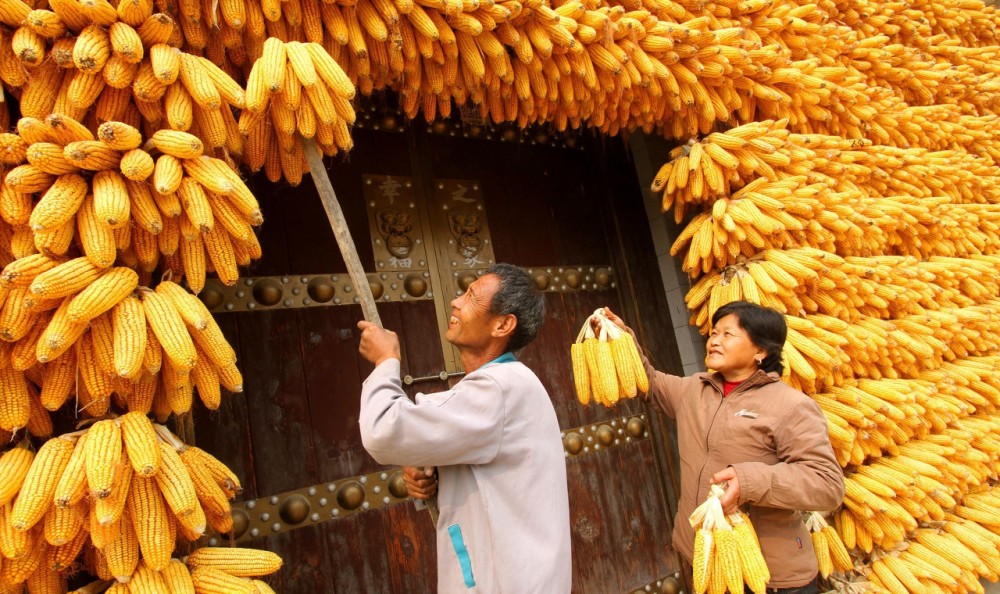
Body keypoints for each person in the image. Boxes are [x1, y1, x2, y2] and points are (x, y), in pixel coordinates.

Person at [600, 300, 844, 593]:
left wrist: (749, 481)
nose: (714, 340)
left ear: (761, 351)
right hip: (706, 564)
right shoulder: (694, 390)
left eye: (728, 334)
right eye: (713, 333)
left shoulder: (791, 406)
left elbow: (827, 484)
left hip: (768, 577)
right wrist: (620, 336)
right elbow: (647, 381)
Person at [357, 263, 572, 593]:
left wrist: (386, 361)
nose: (456, 301)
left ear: (502, 324)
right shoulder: (503, 385)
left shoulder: (499, 389)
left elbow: (384, 430)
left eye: (471, 297)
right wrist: (434, 475)